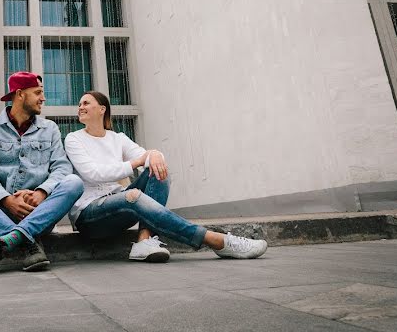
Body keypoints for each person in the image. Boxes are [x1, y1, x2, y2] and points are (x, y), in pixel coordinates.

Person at [65, 91, 268, 262]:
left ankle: (144, 242)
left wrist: (154, 154)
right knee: (134, 195)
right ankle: (216, 240)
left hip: (119, 207)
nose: (80, 107)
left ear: (102, 109)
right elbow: (93, 173)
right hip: (90, 215)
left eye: (86, 103)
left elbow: (148, 157)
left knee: (159, 173)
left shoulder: (118, 138)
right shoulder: (74, 139)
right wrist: (138, 161)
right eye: (79, 104)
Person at [0, 72, 84, 275]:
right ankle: (27, 242)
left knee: (74, 182)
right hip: (1, 214)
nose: (43, 98)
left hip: (39, 213)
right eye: (38, 92)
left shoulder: (50, 129)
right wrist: (6, 200)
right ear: (20, 94)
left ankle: (2, 245)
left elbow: (61, 168)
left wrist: (41, 193)